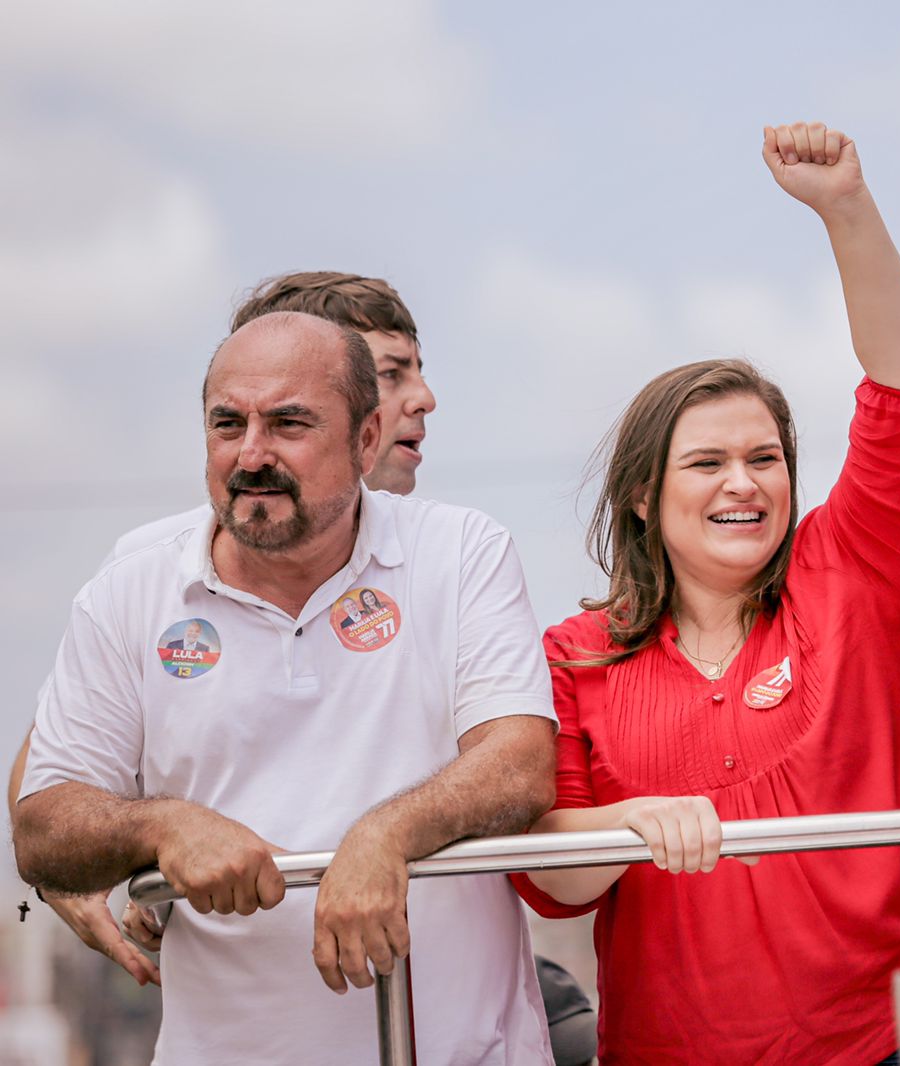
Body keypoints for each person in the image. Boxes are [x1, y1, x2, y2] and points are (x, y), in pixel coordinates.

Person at [509, 122, 900, 1064]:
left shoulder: (851, 571)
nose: (743, 483)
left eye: (765, 458)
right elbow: (554, 877)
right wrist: (632, 822)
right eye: (707, 463)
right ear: (641, 496)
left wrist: (846, 208)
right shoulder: (574, 653)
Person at [13, 312, 560, 1064]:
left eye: (288, 423)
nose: (252, 453)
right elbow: (43, 827)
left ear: (366, 439)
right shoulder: (129, 588)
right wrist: (165, 827)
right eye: (227, 424)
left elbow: (521, 765)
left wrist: (385, 837)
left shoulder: (461, 550)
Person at [7, 270, 436, 986]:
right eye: (391, 374)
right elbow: (49, 763)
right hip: (254, 983)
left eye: (416, 371)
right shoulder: (161, 563)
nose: (423, 397)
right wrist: (98, 865)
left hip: (432, 974)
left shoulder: (448, 549)